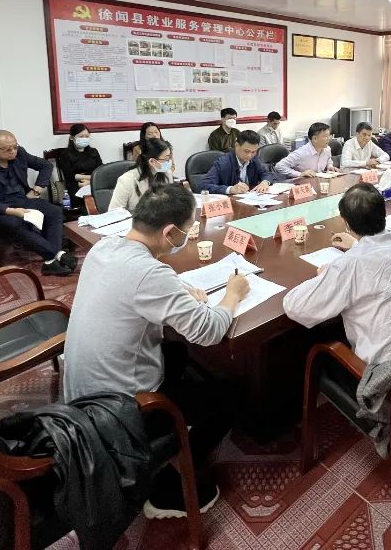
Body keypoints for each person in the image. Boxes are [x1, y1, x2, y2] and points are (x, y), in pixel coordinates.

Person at [62, 183, 251, 517]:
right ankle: (169, 488)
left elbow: (138, 285)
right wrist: (233, 293)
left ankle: (179, 421)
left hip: (82, 395)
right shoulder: (150, 274)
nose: (187, 236)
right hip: (117, 414)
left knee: (177, 354)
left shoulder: (105, 247)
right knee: (234, 393)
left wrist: (178, 288)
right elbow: (209, 330)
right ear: (170, 232)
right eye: (187, 229)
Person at [283, 184, 391, 366]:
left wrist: (324, 277)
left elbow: (295, 306)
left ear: (346, 223)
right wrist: (356, 246)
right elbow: (378, 261)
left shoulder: (351, 265)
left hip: (389, 371)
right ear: (383, 212)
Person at [0, 130, 75, 276]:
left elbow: (46, 165)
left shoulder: (20, 153)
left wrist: (37, 189)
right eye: (7, 149)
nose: (13, 151)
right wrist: (12, 211)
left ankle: (50, 261)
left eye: (15, 146)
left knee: (54, 211)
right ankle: (58, 255)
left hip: (21, 199)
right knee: (15, 222)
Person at [111, 137, 174, 212]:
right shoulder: (126, 180)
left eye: (169, 158)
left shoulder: (167, 174)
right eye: (166, 159)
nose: (169, 162)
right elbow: (114, 213)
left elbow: (170, 202)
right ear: (152, 161)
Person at [201, 130, 272, 195]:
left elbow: (266, 173)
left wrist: (265, 182)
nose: (249, 155)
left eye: (253, 152)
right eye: (246, 151)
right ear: (236, 145)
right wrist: (230, 189)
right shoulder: (223, 163)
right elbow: (204, 185)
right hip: (230, 201)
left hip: (250, 199)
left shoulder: (254, 159)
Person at [56, 124, 102, 213]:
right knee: (86, 202)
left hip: (93, 182)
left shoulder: (93, 151)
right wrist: (91, 179)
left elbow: (100, 170)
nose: (84, 139)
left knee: (103, 195)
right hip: (75, 184)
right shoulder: (65, 154)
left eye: (87, 136)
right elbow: (70, 175)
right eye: (81, 136)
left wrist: (90, 181)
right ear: (72, 137)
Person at [274, 122, 340, 179]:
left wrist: (329, 166)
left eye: (329, 135)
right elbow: (279, 166)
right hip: (302, 184)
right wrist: (300, 174)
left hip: (318, 181)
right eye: (325, 136)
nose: (329, 138)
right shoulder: (301, 153)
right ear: (315, 139)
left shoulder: (327, 149)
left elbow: (328, 160)